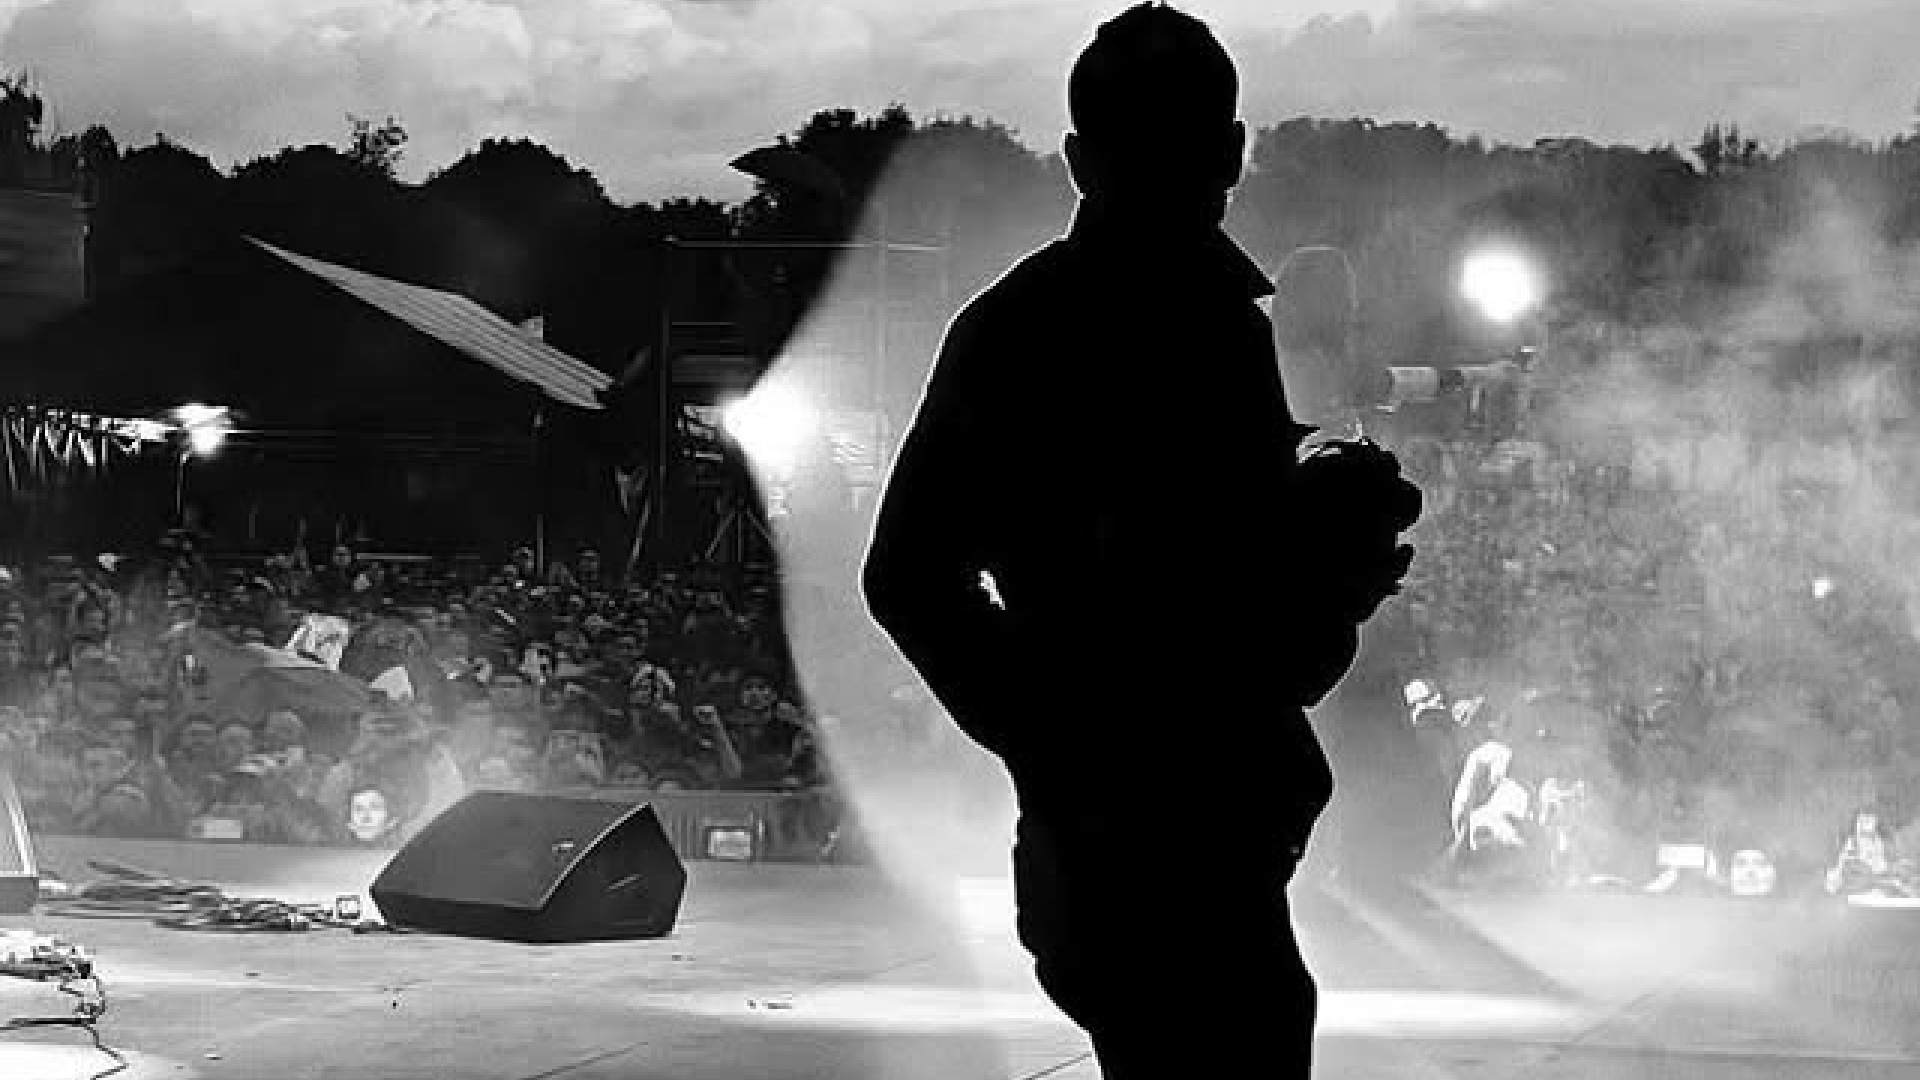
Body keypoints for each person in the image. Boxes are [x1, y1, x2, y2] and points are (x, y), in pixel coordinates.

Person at [863, 6, 1416, 1076]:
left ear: (1078, 159)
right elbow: (909, 577)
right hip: (1153, 843)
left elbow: (914, 575)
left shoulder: (1035, 328)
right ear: (1235, 150)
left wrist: (1319, 565)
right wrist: (1069, 734)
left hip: (1171, 832)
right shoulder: (1169, 327)